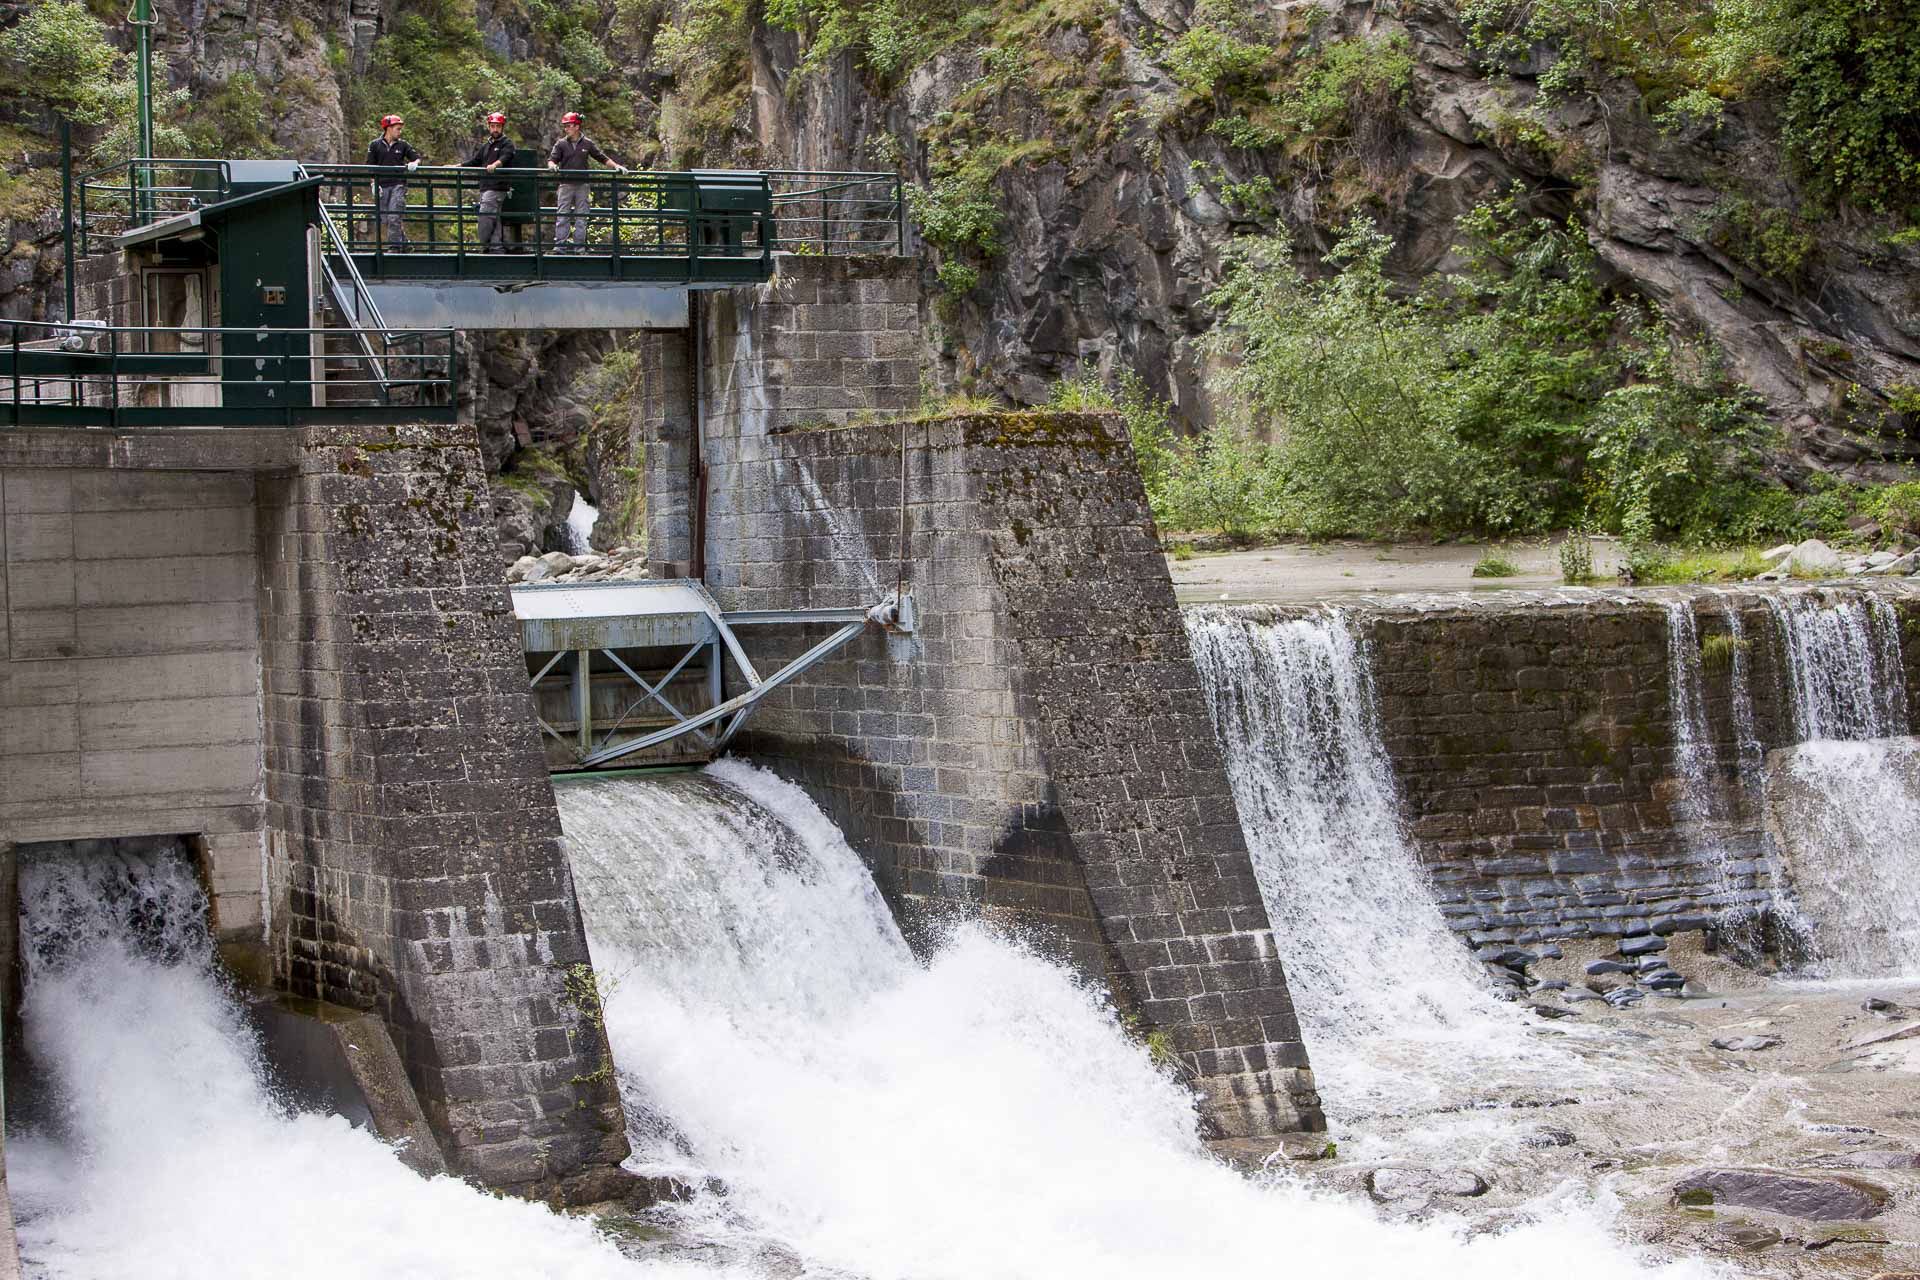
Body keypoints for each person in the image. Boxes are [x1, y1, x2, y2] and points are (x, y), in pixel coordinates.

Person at [547, 111, 627, 252]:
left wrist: (616, 166)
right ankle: (560, 246)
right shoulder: (561, 144)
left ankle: (579, 248)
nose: (566, 129)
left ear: (577, 126)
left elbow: (601, 157)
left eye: (569, 126)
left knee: (581, 217)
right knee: (562, 216)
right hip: (565, 184)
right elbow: (552, 159)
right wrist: (552, 166)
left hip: (582, 185)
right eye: (565, 126)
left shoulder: (587, 143)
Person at [463, 111, 517, 252]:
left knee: (486, 216)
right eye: (492, 126)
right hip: (485, 186)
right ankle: (496, 248)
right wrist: (457, 166)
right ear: (489, 127)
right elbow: (475, 161)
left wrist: (495, 165)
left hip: (498, 187)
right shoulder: (486, 145)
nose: (495, 129)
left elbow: (505, 157)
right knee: (495, 219)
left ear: (502, 127)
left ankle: (483, 245)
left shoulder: (507, 143)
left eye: (498, 126)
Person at [366, 114, 419, 248]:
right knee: (385, 219)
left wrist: (414, 163)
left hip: (398, 184)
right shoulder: (375, 145)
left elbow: (416, 157)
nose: (399, 132)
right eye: (397, 128)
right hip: (382, 185)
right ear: (388, 128)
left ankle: (394, 247)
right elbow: (370, 166)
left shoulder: (403, 145)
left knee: (394, 217)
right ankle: (405, 243)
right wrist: (373, 184)